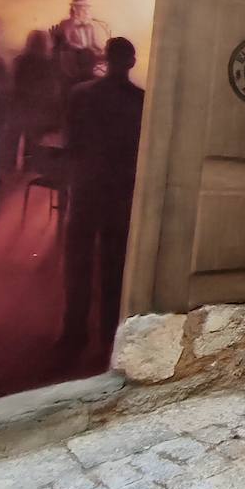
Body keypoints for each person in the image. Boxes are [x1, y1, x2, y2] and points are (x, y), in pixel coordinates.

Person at [59, 38, 144, 356]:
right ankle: (110, 333)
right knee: (114, 263)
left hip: (87, 185)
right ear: (131, 62)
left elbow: (71, 142)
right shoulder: (140, 100)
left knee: (78, 263)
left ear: (105, 59)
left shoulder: (82, 94)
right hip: (120, 188)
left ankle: (73, 332)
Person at [7, 29, 61, 171]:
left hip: (21, 105)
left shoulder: (19, 60)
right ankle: (33, 166)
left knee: (20, 137)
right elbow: (52, 88)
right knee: (37, 139)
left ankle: (14, 167)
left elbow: (14, 82)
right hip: (39, 108)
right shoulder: (47, 63)